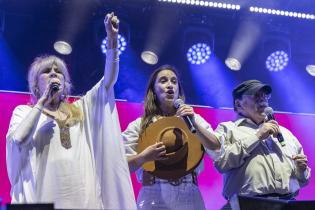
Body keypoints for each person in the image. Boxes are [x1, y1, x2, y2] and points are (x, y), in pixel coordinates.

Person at [6, 12, 136, 209]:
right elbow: (18, 139)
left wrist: (112, 41)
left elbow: (108, 81)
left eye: (58, 71)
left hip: (81, 198)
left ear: (66, 83)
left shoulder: (81, 109)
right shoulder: (24, 112)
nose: (53, 73)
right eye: (46, 71)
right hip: (43, 197)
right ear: (35, 85)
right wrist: (42, 102)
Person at [122, 64, 222, 210]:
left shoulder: (193, 118)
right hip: (154, 194)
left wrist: (194, 123)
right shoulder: (139, 125)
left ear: (178, 91)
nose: (170, 85)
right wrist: (144, 157)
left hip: (189, 193)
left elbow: (216, 145)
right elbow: (121, 165)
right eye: (163, 81)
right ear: (154, 91)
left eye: (174, 82)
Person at [214, 80, 311, 210]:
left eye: (265, 96)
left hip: (287, 204)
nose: (263, 99)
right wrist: (258, 136)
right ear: (238, 104)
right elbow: (222, 162)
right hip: (247, 205)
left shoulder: (286, 134)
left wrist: (301, 170)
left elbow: (303, 180)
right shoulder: (227, 129)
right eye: (256, 95)